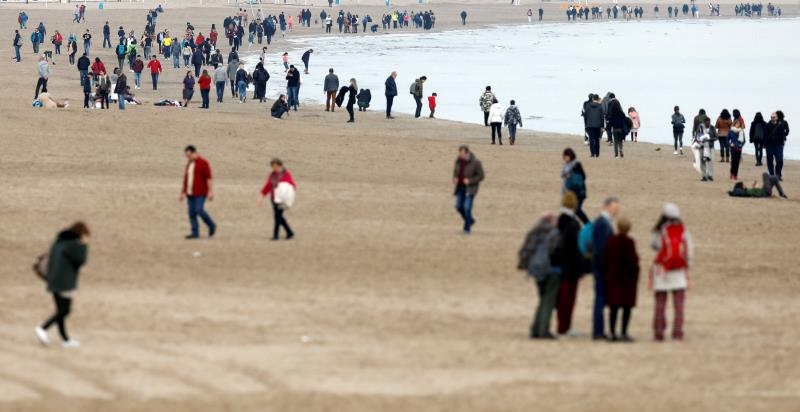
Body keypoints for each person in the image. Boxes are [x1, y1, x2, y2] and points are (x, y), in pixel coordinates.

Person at [35, 222, 90, 348]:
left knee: (60, 311)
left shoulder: (59, 241)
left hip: (53, 280)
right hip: (63, 282)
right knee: (65, 310)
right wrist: (84, 245)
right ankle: (42, 328)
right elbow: (81, 260)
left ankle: (66, 340)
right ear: (81, 234)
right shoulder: (73, 244)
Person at [650, 203, 693, 341]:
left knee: (660, 304)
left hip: (662, 270)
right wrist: (687, 265)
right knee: (679, 305)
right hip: (678, 270)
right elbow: (689, 250)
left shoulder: (659, 230)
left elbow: (654, 245)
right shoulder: (683, 230)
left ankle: (659, 333)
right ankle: (677, 333)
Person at [520, 212, 561, 340]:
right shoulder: (554, 233)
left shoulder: (533, 231)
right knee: (547, 301)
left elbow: (524, 252)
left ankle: (535, 329)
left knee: (542, 299)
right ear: (551, 221)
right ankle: (543, 330)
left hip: (536, 271)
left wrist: (527, 267)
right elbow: (555, 252)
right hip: (550, 270)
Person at [602, 217, 639, 342]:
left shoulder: (611, 241)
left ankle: (612, 332)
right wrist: (635, 273)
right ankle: (623, 332)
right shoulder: (629, 242)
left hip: (613, 278)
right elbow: (633, 261)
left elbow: (605, 258)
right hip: (627, 280)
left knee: (614, 307)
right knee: (626, 307)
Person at [555, 192, 585, 336]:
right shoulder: (573, 224)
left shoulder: (557, 221)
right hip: (570, 267)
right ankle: (564, 327)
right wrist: (582, 267)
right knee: (568, 299)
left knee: (561, 298)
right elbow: (576, 249)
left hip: (558, 264)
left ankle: (562, 326)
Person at [591, 197, 620, 340]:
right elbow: (601, 249)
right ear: (607, 207)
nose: (616, 212)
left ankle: (599, 330)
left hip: (600, 267)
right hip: (601, 269)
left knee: (601, 300)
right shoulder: (603, 224)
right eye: (615, 208)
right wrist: (606, 269)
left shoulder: (602, 223)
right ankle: (598, 331)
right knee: (600, 300)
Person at [180, 145, 216, 239]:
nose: (188, 157)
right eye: (187, 156)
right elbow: (186, 179)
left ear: (194, 153)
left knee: (199, 209)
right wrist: (183, 192)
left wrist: (210, 191)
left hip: (201, 193)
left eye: (189, 155)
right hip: (190, 193)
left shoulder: (203, 163)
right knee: (191, 213)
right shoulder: (189, 164)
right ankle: (195, 232)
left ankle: (211, 225)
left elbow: (209, 178)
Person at [258, 158, 296, 240]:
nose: (275, 168)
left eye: (276, 166)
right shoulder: (272, 175)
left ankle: (276, 236)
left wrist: (289, 195)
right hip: (274, 198)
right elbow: (268, 186)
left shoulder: (286, 174)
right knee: (279, 217)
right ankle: (290, 232)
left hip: (283, 200)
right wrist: (261, 196)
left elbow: (292, 185)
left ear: (280, 165)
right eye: (273, 166)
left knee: (277, 216)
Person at [452, 145, 484, 234]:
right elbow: (455, 172)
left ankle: (467, 229)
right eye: (460, 154)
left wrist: (470, 181)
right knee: (458, 206)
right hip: (460, 187)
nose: (461, 156)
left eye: (462, 154)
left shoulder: (476, 163)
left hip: (470, 189)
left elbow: (481, 176)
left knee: (467, 208)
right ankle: (470, 220)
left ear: (467, 153)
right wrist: (455, 178)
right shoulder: (458, 161)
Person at [561, 148, 589, 224]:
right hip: (570, 192)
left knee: (576, 210)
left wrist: (571, 175)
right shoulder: (566, 165)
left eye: (567, 156)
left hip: (578, 192)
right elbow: (563, 175)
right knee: (571, 211)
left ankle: (587, 223)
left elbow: (582, 177)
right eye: (565, 156)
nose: (565, 158)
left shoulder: (576, 165)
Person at [764, 111, 789, 180]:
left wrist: (782, 143)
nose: (773, 118)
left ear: (777, 118)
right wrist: (765, 144)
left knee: (780, 160)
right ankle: (772, 175)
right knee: (769, 161)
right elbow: (765, 136)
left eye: (774, 117)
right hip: (769, 146)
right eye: (772, 117)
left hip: (778, 145)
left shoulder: (780, 125)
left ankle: (778, 175)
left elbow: (783, 134)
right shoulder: (767, 125)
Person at [606, 93, 626, 158]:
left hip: (615, 128)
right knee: (620, 141)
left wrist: (606, 127)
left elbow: (609, 115)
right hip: (620, 128)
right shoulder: (618, 103)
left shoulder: (610, 104)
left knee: (615, 141)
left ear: (610, 97)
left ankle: (616, 155)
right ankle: (621, 150)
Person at [729, 109, 746, 180]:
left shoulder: (740, 119)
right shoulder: (736, 119)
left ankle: (734, 174)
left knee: (736, 161)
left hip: (739, 144)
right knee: (734, 161)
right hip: (733, 146)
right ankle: (732, 173)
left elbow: (743, 126)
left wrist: (741, 144)